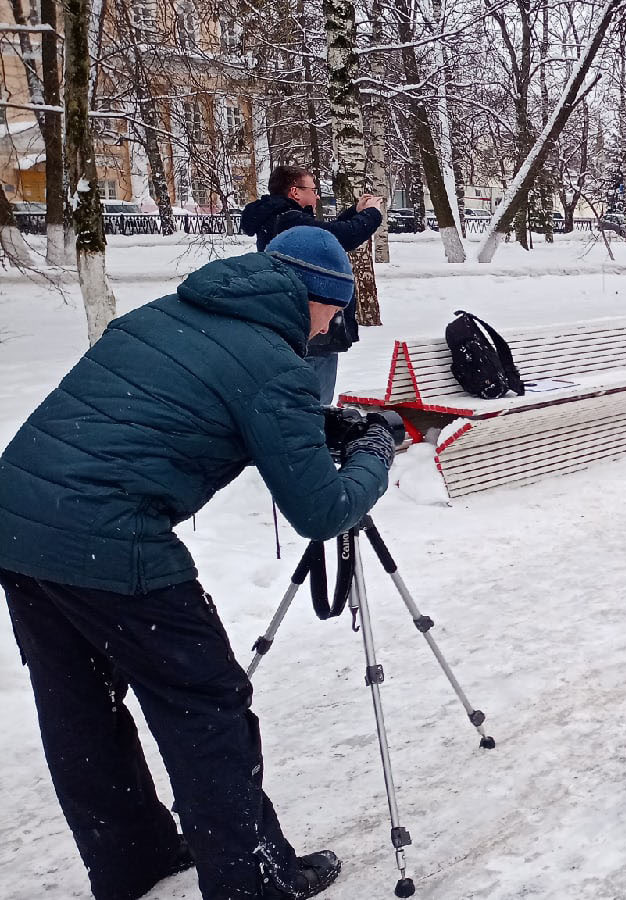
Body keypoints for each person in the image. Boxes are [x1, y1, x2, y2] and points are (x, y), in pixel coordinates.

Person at [0, 227, 396, 900]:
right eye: (336, 312)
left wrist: (318, 426)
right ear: (313, 299)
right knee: (206, 708)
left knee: (78, 707)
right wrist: (374, 454)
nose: (334, 328)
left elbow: (182, 403)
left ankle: (134, 859)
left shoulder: (168, 313)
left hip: (19, 522)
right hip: (111, 537)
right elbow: (323, 512)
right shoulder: (275, 365)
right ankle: (253, 884)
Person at [240, 166, 384, 404]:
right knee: (315, 403)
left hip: (291, 318)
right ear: (295, 192)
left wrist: (354, 211)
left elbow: (325, 237)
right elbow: (340, 237)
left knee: (297, 398)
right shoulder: (290, 219)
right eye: (313, 189)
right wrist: (371, 214)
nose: (317, 196)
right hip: (313, 324)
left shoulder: (276, 217)